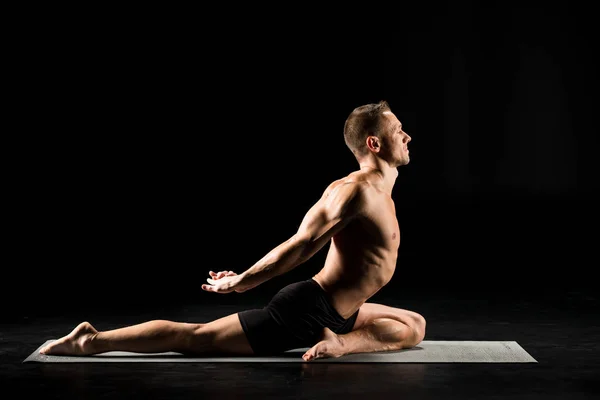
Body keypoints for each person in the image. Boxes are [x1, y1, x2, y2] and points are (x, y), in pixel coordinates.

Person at [40, 100, 426, 362]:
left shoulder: (381, 192)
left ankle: (338, 342)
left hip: (343, 312)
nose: (407, 136)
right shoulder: (355, 191)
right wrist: (243, 280)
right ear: (374, 143)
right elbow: (301, 244)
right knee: (196, 338)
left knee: (414, 326)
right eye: (398, 130)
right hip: (307, 311)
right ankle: (90, 339)